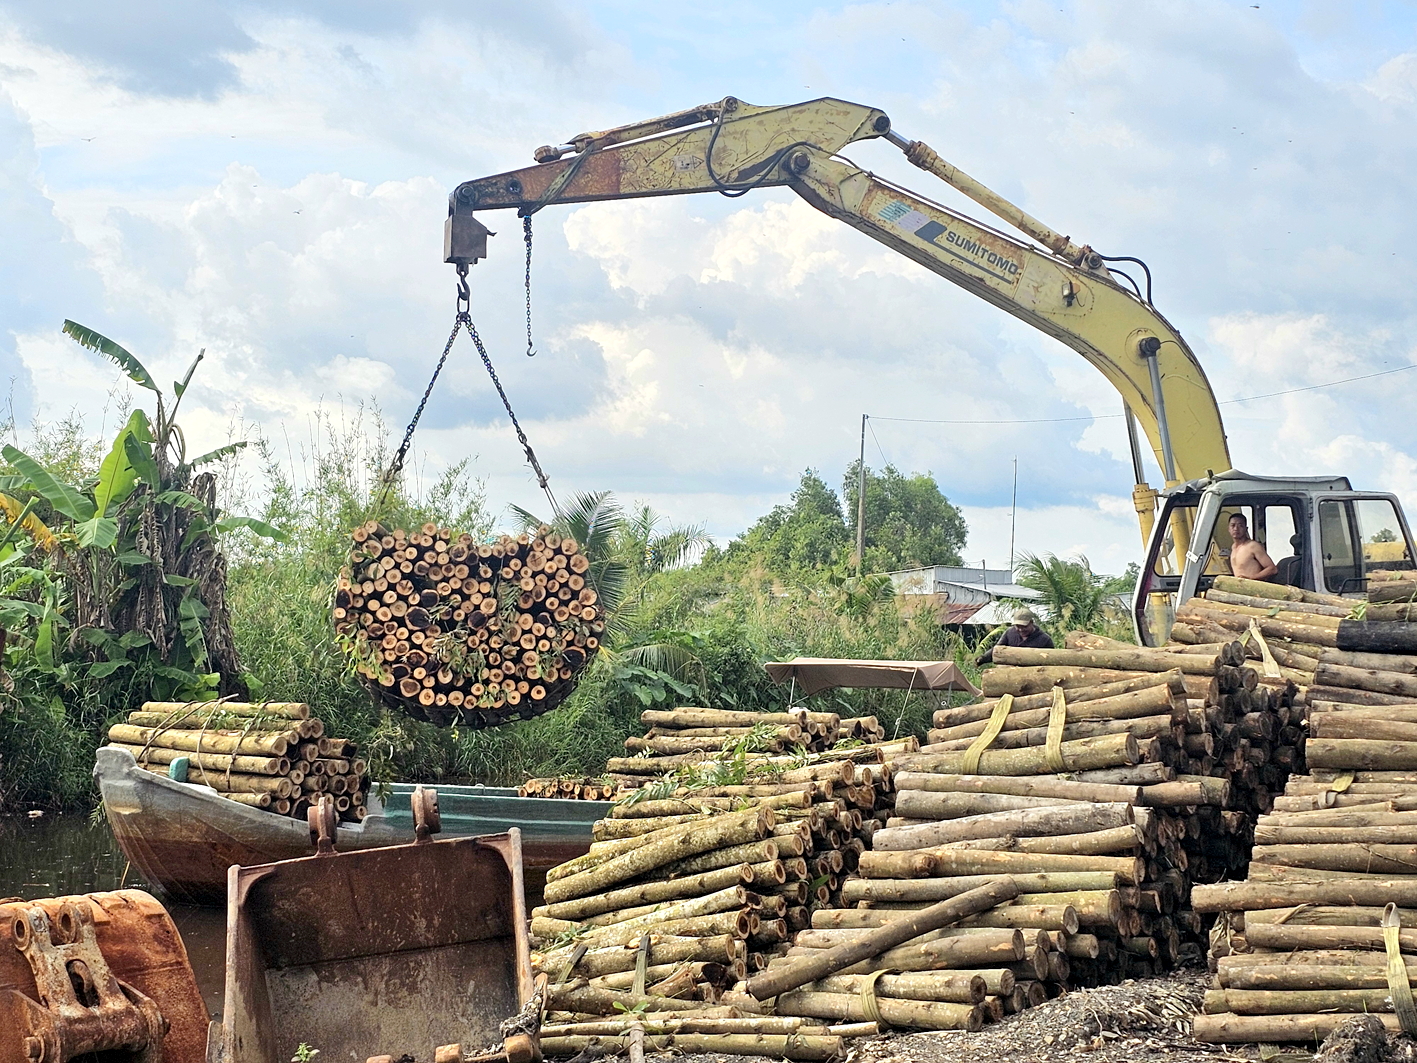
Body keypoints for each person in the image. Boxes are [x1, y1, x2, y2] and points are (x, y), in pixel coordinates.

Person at [980, 608, 1053, 663]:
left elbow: (1051, 660)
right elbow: (998, 649)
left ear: (1031, 622)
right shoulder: (1009, 633)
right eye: (1018, 626)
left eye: (1024, 626)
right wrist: (983, 658)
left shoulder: (1045, 639)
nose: (1021, 630)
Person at [1228, 513, 1278, 581]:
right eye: (1233, 525)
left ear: (1246, 529)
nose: (1236, 528)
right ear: (1229, 529)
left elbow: (1272, 569)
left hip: (1253, 588)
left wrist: (1251, 578)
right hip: (1239, 588)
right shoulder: (1233, 547)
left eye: (1240, 525)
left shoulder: (1253, 546)